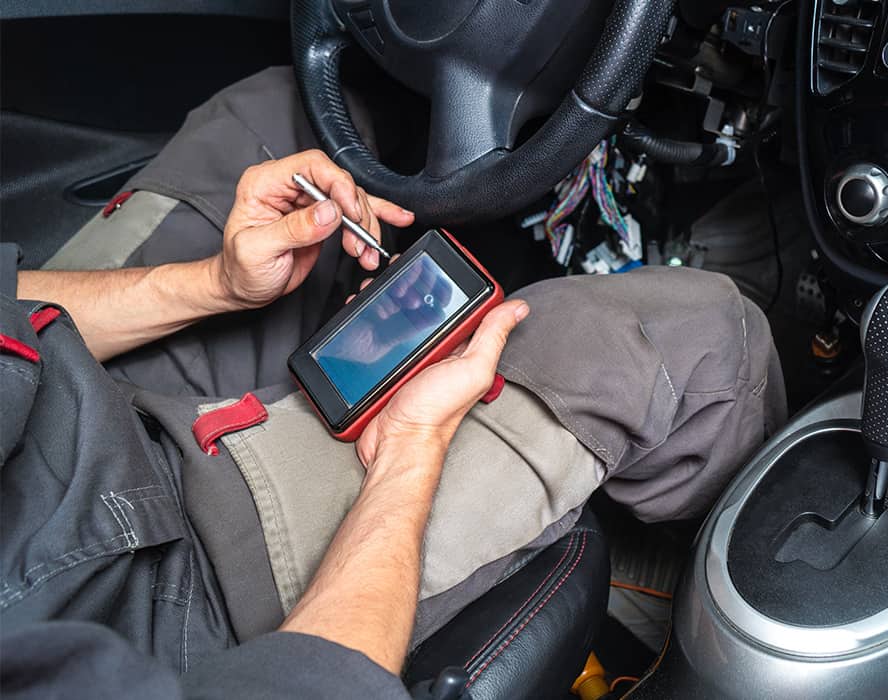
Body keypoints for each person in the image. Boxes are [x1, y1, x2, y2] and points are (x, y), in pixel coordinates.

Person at [0, 68, 786, 697]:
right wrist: (409, 448)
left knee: (287, 108)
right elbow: (312, 683)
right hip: (181, 591)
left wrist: (217, 285)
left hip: (64, 397)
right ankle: (669, 571)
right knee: (710, 339)